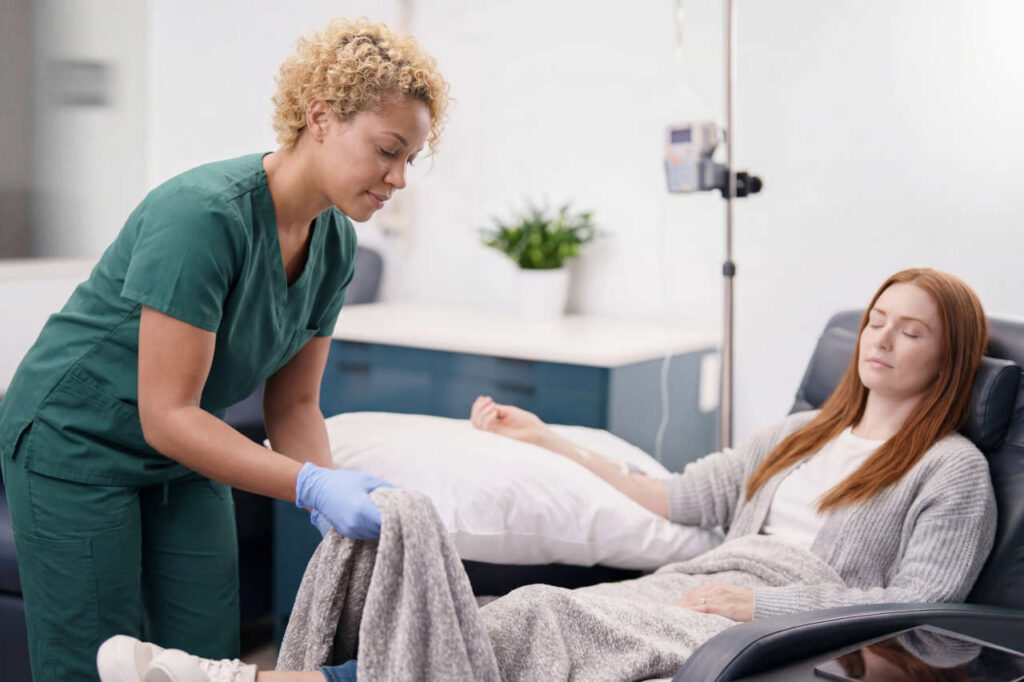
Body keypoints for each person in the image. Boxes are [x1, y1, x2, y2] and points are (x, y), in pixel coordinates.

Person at [92, 267, 996, 680]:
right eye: (877, 318)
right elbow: (681, 497)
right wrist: (548, 440)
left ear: (949, 357)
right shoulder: (797, 431)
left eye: (909, 330)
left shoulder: (951, 472)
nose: (879, 338)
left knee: (541, 617)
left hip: (787, 604)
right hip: (706, 583)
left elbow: (933, 621)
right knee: (510, 618)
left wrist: (775, 611)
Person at [0, 18, 448, 681]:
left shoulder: (335, 245)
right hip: (78, 440)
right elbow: (166, 413)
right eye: (388, 150)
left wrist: (329, 510)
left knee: (209, 657)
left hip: (185, 448)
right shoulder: (203, 217)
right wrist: (308, 484)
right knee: (93, 661)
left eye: (411, 158)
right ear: (320, 118)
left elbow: (294, 405)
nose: (400, 178)